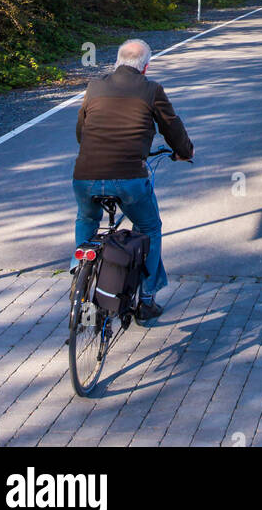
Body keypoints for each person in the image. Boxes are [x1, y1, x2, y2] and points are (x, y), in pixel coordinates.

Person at [71, 38, 193, 324]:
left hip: (85, 177)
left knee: (87, 219)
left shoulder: (94, 87)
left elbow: (81, 133)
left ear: (116, 62)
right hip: (130, 179)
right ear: (145, 67)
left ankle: (80, 275)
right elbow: (172, 127)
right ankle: (147, 301)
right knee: (149, 226)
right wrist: (184, 152)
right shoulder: (152, 90)